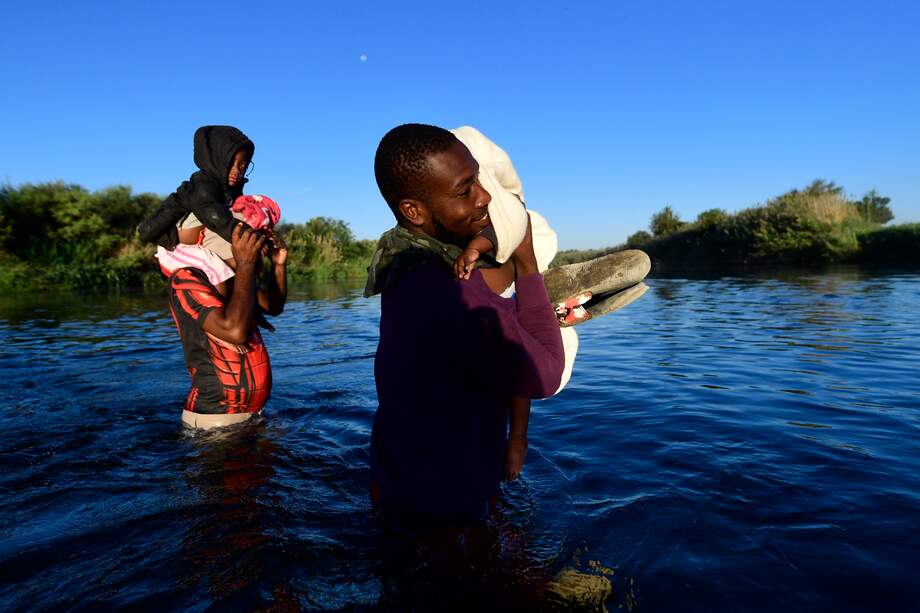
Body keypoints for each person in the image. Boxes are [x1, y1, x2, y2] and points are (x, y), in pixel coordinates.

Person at [366, 123, 565, 521]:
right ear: (413, 210)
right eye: (465, 190)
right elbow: (546, 374)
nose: (484, 196)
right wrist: (526, 264)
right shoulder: (452, 295)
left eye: (477, 179)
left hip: (399, 475)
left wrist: (516, 438)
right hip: (442, 499)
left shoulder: (405, 260)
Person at [167, 221, 288, 430]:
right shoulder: (186, 278)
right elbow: (235, 332)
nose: (259, 257)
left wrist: (278, 265)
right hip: (214, 422)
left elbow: (273, 306)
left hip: (251, 415)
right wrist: (245, 264)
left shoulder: (236, 279)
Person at [138, 125, 258, 250]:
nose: (236, 170)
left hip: (211, 225)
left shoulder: (232, 189)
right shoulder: (202, 186)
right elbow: (216, 219)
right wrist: (252, 236)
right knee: (238, 222)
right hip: (180, 236)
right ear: (216, 159)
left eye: (243, 165)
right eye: (229, 163)